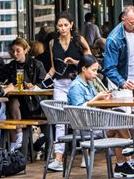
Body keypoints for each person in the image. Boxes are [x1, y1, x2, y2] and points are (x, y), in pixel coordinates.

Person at [67, 56, 134, 177]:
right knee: (119, 122)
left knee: (119, 118)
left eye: (96, 70)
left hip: (95, 122)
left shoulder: (88, 83)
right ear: (84, 68)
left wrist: (103, 98)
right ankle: (130, 158)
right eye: (93, 70)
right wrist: (97, 98)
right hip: (84, 126)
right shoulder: (76, 86)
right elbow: (78, 110)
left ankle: (122, 165)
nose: (96, 74)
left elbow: (96, 104)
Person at [45, 12, 90, 173]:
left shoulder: (79, 40)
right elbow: (53, 67)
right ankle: (58, 158)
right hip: (59, 83)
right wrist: (43, 81)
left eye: (65, 25)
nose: (63, 28)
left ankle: (86, 154)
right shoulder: (52, 43)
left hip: (76, 83)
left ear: (71, 25)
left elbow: (90, 63)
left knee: (80, 117)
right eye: (60, 25)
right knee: (60, 120)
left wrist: (75, 62)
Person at [0, 38, 46, 149]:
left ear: (25, 50)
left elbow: (44, 84)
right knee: (11, 103)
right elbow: (1, 81)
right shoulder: (10, 66)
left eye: (18, 51)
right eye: (13, 51)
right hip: (16, 103)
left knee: (10, 107)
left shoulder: (36, 65)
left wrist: (34, 87)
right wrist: (7, 86)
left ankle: (17, 141)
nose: (15, 54)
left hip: (33, 103)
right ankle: (19, 139)